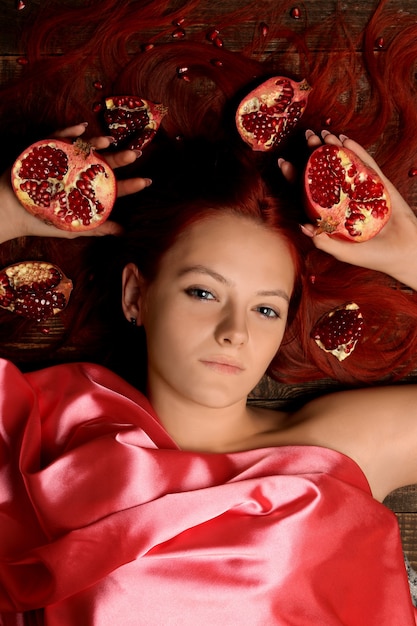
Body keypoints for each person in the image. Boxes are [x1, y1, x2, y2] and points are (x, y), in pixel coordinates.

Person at [2, 0, 417, 623]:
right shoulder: (50, 433)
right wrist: (5, 211)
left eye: (267, 310)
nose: (234, 333)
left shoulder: (345, 447)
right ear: (136, 295)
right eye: (203, 292)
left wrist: (413, 257)